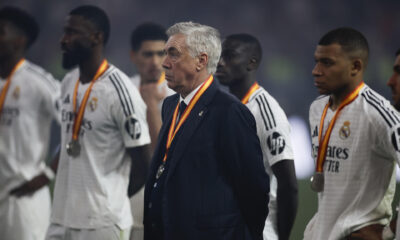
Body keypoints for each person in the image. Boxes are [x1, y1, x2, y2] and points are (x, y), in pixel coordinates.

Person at [143, 21, 269, 240]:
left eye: (173, 54)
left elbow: (254, 190)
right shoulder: (171, 105)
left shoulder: (229, 112)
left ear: (201, 61)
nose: (164, 63)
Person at [46, 5, 151, 240]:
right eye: (65, 32)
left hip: (101, 225)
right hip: (60, 219)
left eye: (72, 33)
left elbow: (143, 165)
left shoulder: (120, 91)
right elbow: (69, 140)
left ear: (96, 37)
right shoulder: (69, 82)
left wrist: (109, 204)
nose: (64, 40)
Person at [304, 27, 400, 240]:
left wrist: (391, 230)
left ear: (355, 66)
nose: (316, 70)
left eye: (327, 63)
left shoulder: (380, 115)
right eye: (316, 61)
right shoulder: (317, 109)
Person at [216, 33, 298, 240]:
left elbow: (288, 184)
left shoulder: (266, 112)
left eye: (230, 56)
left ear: (252, 63)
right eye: (219, 56)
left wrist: (283, 237)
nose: (220, 63)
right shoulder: (226, 107)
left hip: (257, 231)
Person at [0, 6, 60, 240]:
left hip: (24, 201)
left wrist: (47, 173)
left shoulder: (39, 83)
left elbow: (75, 128)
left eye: (1, 32)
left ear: (19, 41)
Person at [128, 22, 173, 240]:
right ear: (134, 56)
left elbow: (162, 153)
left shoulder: (179, 94)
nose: (155, 62)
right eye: (147, 54)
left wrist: (151, 105)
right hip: (124, 198)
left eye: (160, 54)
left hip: (165, 201)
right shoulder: (123, 90)